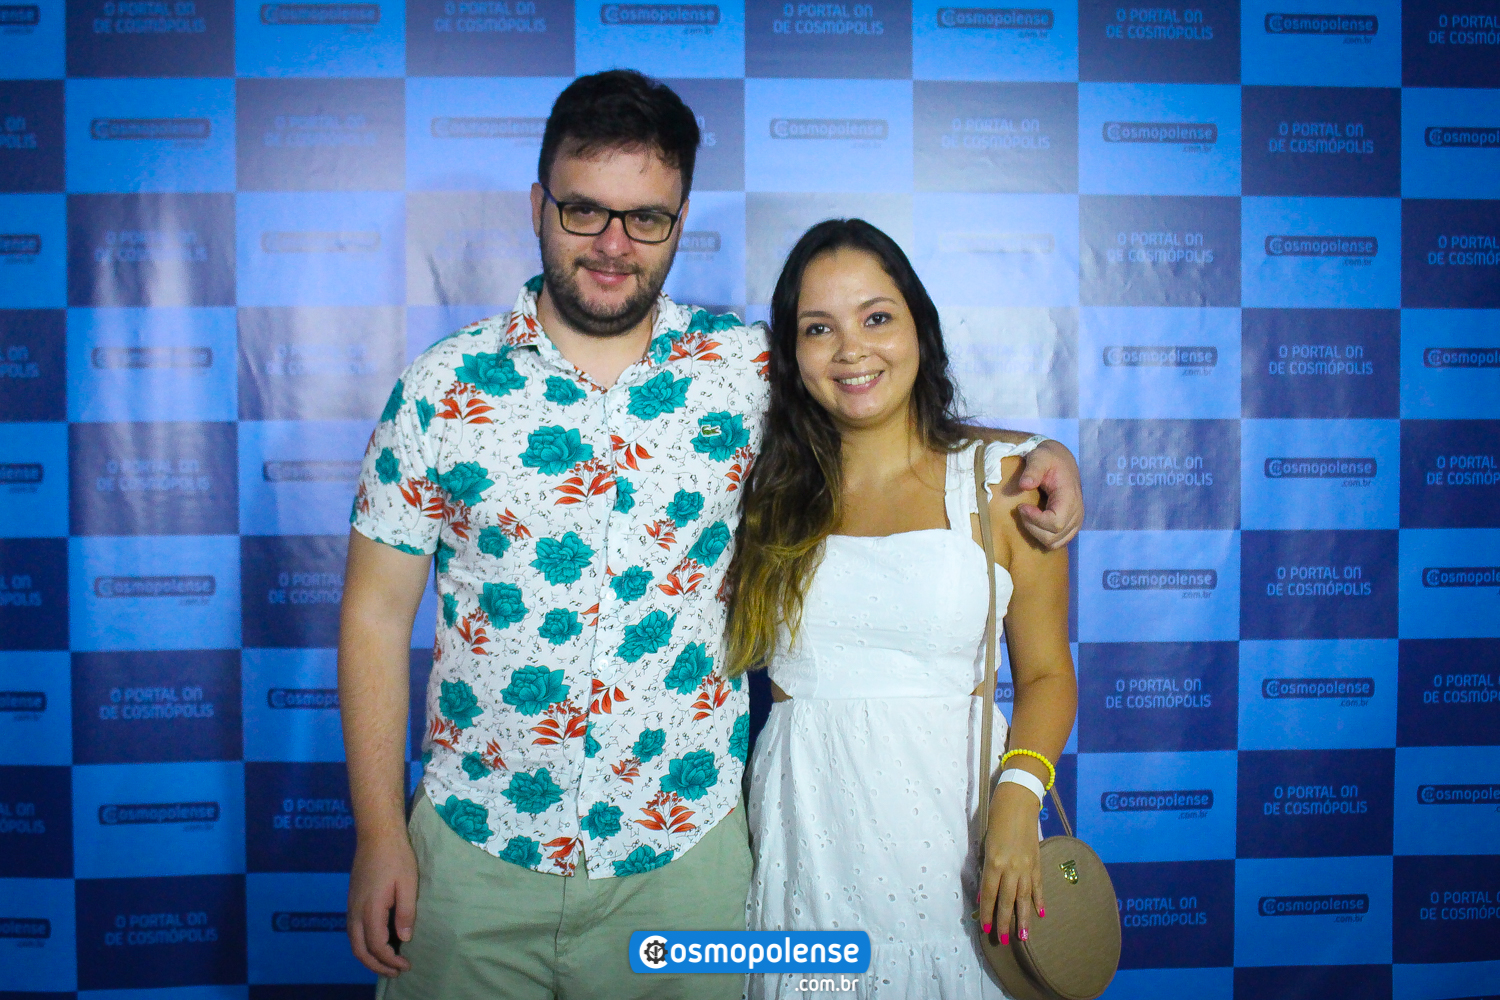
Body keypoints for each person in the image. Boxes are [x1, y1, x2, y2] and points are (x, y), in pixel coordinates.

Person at [339, 70, 1083, 1000]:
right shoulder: (440, 390)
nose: (614, 244)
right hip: (473, 854)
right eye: (584, 210)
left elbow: (879, 403)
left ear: (680, 221)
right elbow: (374, 618)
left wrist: (1039, 454)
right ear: (538, 206)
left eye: (646, 217)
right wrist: (379, 831)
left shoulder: (744, 370)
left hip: (684, 865)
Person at [733, 219, 1078, 998]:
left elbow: (1049, 675)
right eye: (819, 328)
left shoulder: (1007, 481)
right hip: (807, 850)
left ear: (920, 325)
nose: (851, 349)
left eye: (877, 317)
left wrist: (1019, 800)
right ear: (791, 354)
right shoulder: (762, 493)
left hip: (964, 840)